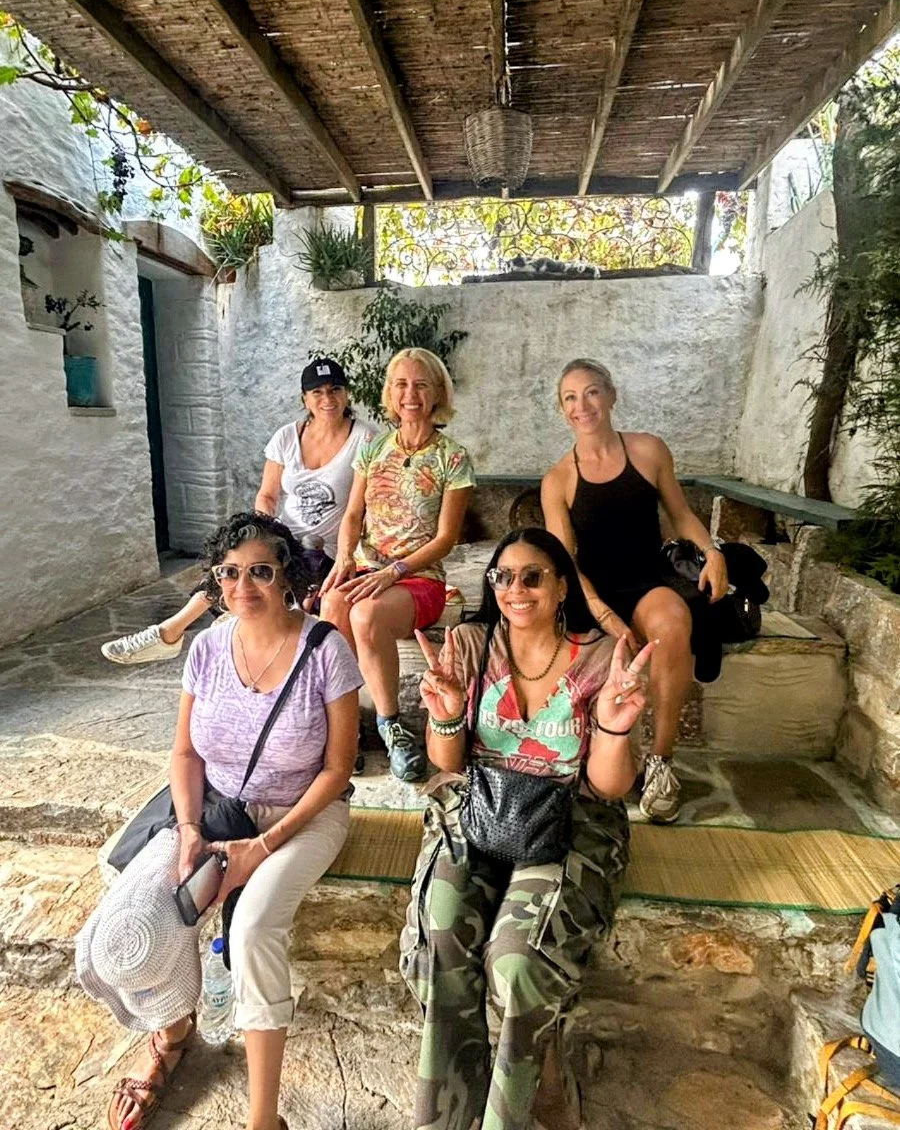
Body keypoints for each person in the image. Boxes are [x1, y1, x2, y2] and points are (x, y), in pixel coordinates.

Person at [78, 512, 362, 1130]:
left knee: (255, 926)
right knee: (137, 922)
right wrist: (188, 832)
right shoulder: (207, 647)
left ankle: (264, 1119)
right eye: (229, 574)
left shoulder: (325, 649)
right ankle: (173, 1034)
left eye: (260, 572)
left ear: (287, 576)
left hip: (303, 817)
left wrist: (262, 847)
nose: (243, 587)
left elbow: (338, 771)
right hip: (213, 810)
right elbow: (185, 754)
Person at [401, 527, 655, 1130]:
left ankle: (514, 1108)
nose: (516, 589)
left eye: (533, 576)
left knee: (516, 960)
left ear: (562, 584)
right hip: (477, 809)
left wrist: (616, 727)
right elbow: (448, 765)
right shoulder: (470, 642)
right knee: (442, 938)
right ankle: (446, 1117)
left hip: (570, 817)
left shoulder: (598, 656)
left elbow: (609, 786)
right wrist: (446, 717)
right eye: (503, 577)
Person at [541, 358, 728, 823]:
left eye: (591, 392)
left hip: (645, 580)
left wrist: (712, 550)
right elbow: (564, 561)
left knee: (673, 622)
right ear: (562, 410)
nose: (581, 405)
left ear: (611, 395)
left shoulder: (649, 451)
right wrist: (604, 614)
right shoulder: (558, 479)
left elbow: (680, 514)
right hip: (590, 590)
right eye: (570, 397)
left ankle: (661, 761)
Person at [100, 358, 374, 666]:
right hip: (283, 536)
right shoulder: (287, 437)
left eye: (335, 389)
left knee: (270, 575)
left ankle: (189, 633)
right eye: (317, 392)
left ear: (347, 393)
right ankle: (168, 632)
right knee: (237, 557)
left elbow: (357, 509)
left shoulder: (364, 438)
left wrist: (349, 552)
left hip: (328, 549)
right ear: (304, 398)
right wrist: (266, 529)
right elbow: (267, 494)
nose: (327, 399)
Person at [319, 347, 475, 784]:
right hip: (368, 570)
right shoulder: (373, 450)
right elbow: (352, 516)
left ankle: (392, 727)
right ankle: (343, 733)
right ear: (390, 393)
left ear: (437, 393)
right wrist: (346, 557)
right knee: (332, 608)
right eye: (401, 384)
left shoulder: (453, 458)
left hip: (419, 580)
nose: (411, 394)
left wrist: (395, 571)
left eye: (421, 384)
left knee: (365, 614)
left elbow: (445, 539)